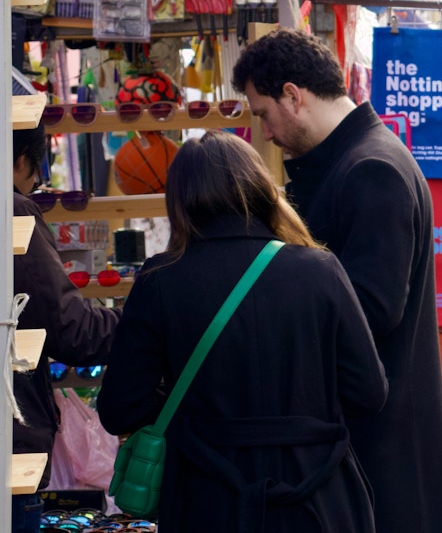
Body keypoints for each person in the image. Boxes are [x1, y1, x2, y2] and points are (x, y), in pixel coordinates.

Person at [96, 131, 388, 532]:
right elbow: (369, 392)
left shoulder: (161, 281)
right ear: (260, 187)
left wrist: (188, 408)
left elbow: (119, 409)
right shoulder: (321, 270)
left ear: (179, 201)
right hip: (318, 494)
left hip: (207, 498)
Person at [231, 30, 442, 531]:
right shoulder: (355, 160)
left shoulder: (370, 168)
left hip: (383, 444)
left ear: (293, 95)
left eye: (263, 112)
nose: (264, 133)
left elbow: (370, 310)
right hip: (372, 436)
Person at [11, 122, 121, 533]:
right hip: (11, 452)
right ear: (22, 160)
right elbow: (70, 330)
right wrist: (143, 324)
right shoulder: (15, 210)